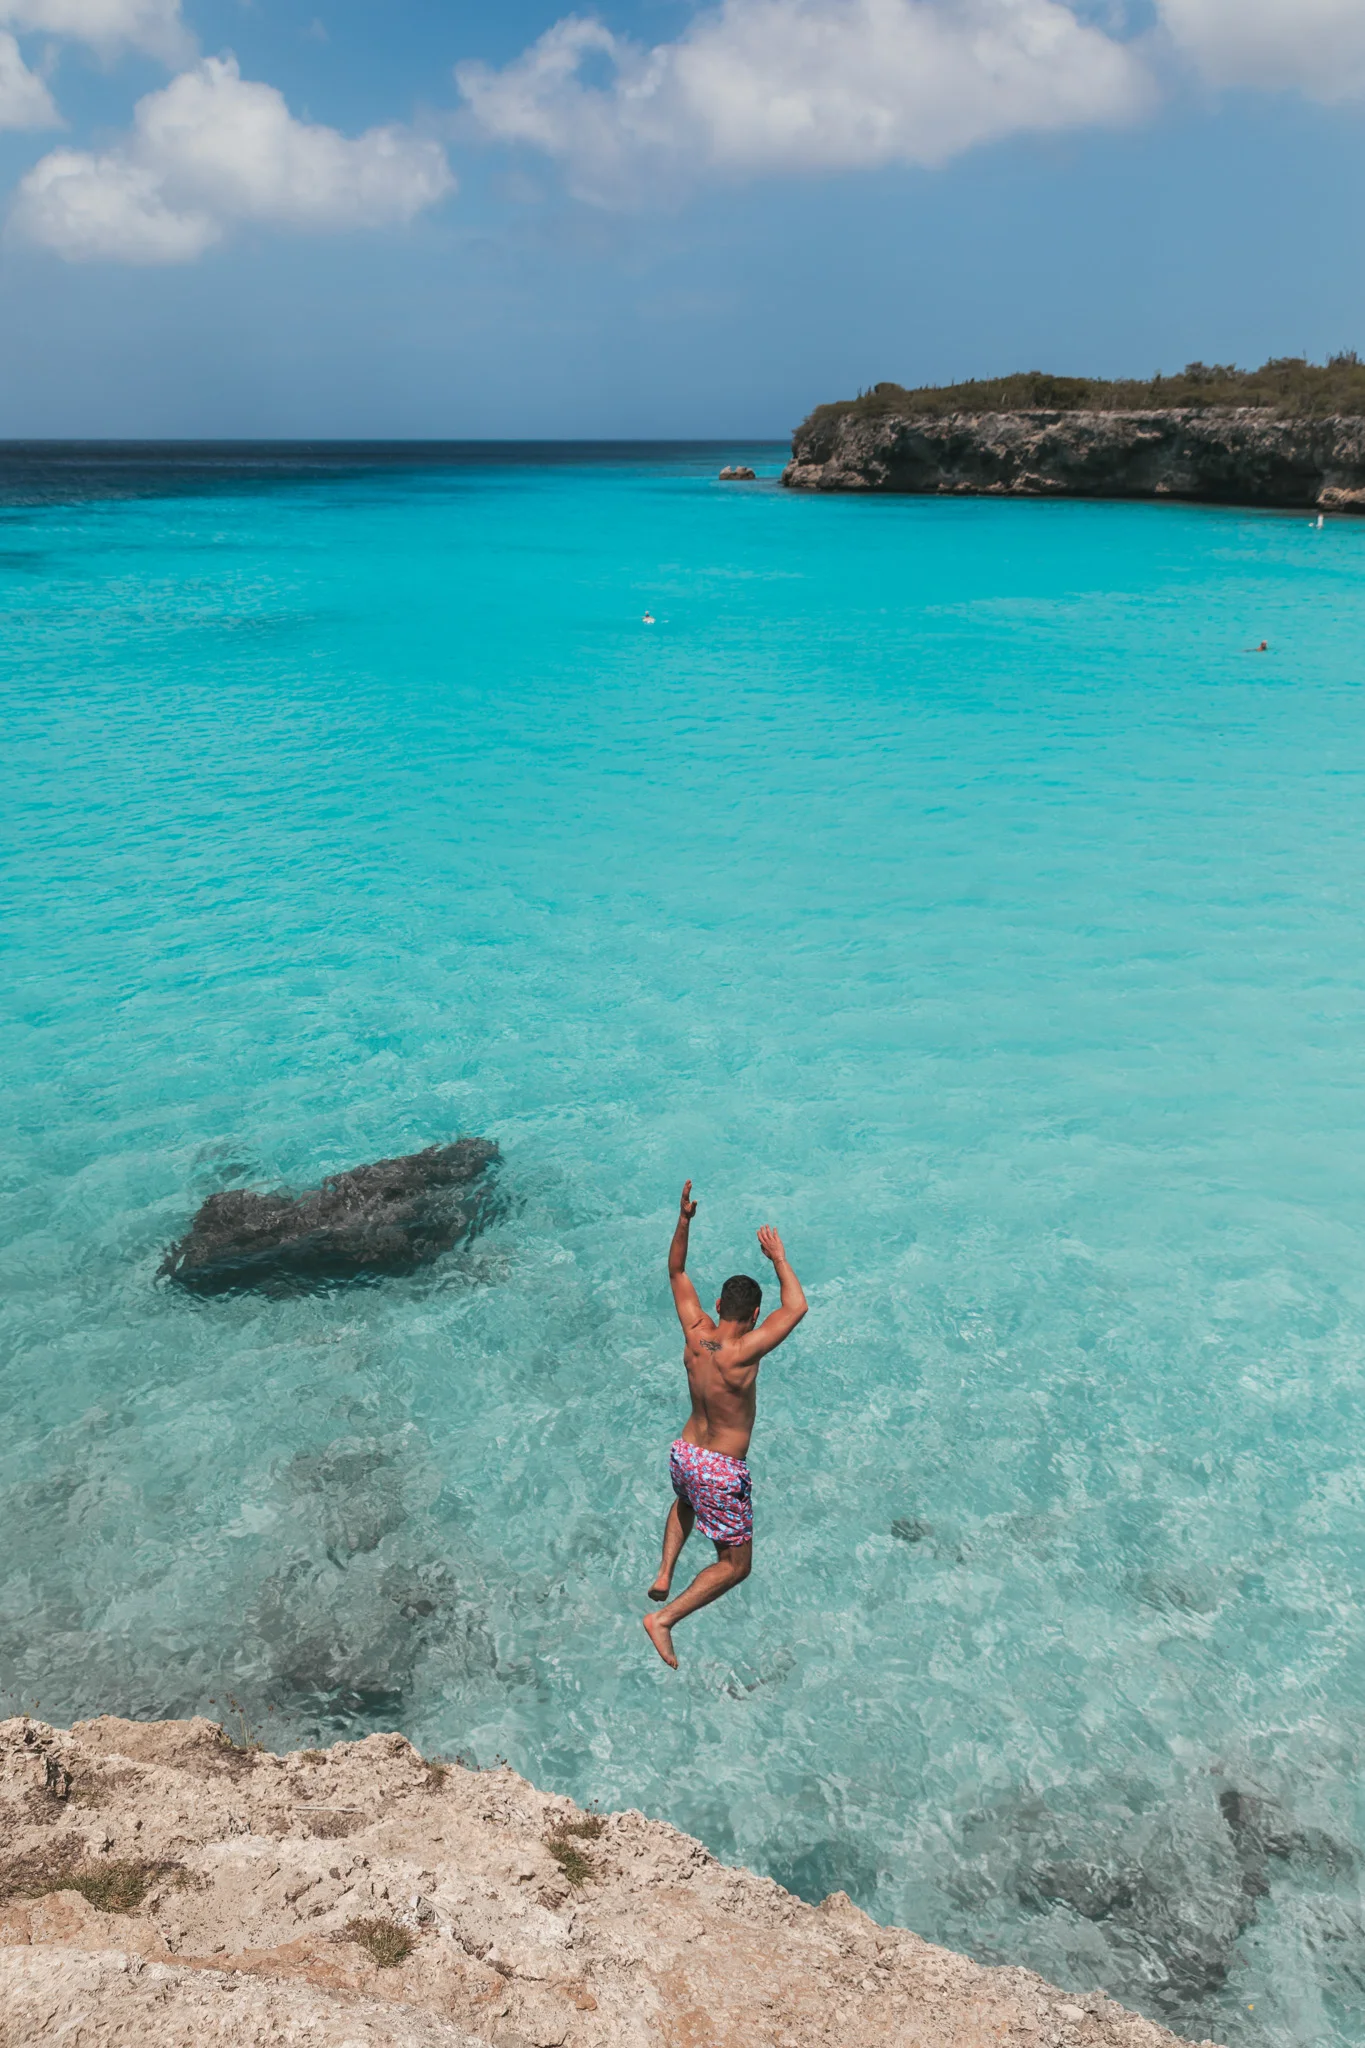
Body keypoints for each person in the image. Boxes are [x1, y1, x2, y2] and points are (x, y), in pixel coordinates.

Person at [643, 1180, 808, 1668]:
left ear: (716, 1307)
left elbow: (675, 1269)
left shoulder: (697, 1334)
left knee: (686, 1499)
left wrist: (685, 1220)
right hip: (720, 1467)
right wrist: (778, 1257)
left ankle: (664, 1570)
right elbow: (796, 1306)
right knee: (737, 1565)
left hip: (685, 1453)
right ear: (756, 1315)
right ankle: (665, 1619)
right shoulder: (747, 1350)